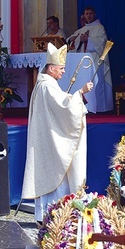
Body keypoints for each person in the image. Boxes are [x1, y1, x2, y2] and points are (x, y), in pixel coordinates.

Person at [21, 42, 94, 223]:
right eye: (61, 68)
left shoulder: (45, 84)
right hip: (52, 141)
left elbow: (60, 105)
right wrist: (80, 92)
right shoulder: (47, 86)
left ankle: (49, 214)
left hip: (48, 137)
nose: (63, 72)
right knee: (57, 175)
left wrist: (72, 98)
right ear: (51, 68)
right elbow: (64, 107)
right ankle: (54, 214)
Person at [67, 6, 113, 112]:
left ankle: (99, 108)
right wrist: (73, 40)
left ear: (94, 14)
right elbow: (70, 41)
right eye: (86, 14)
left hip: (96, 60)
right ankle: (86, 107)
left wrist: (88, 40)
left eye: (90, 13)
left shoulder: (99, 27)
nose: (88, 16)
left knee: (96, 84)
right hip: (83, 62)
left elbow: (102, 43)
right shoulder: (82, 29)